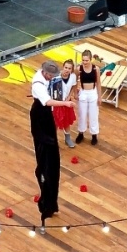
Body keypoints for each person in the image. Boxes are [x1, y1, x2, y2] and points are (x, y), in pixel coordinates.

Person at [30, 59, 76, 224]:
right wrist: (66, 103)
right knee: (45, 160)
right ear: (45, 73)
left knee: (53, 161)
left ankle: (51, 202)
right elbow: (47, 102)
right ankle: (46, 201)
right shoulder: (38, 84)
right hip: (40, 117)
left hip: (46, 116)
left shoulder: (45, 79)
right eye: (51, 75)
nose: (52, 78)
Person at [75, 50, 102, 146]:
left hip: (93, 92)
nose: (85, 62)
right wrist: (75, 93)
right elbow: (74, 81)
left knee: (93, 115)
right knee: (82, 114)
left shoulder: (96, 69)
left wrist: (99, 97)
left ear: (90, 60)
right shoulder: (79, 69)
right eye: (83, 60)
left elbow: (98, 83)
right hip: (83, 92)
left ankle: (94, 135)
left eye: (86, 60)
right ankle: (81, 133)